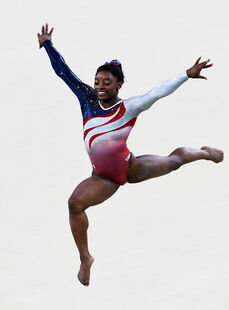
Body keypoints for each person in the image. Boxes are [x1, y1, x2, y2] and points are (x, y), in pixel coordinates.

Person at [37, 23, 224, 286]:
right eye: (97, 82)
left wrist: (186, 74)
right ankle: (85, 258)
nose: (100, 87)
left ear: (119, 85)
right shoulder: (87, 100)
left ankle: (204, 153)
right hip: (103, 177)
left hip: (129, 167)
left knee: (174, 161)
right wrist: (48, 45)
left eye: (107, 83)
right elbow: (64, 73)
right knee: (74, 204)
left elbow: (158, 92)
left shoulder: (129, 107)